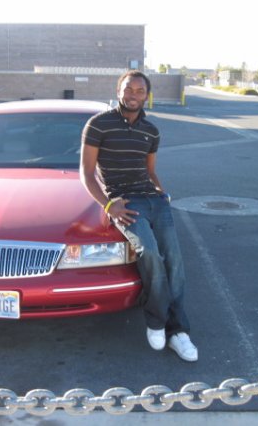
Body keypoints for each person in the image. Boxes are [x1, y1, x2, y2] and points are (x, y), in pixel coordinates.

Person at [80, 70, 198, 362]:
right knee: (150, 254)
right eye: (128, 89)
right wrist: (109, 205)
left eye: (140, 90)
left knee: (174, 261)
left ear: (147, 95)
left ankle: (178, 332)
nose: (133, 95)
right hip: (125, 203)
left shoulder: (151, 130)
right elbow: (87, 173)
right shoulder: (98, 124)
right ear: (118, 91)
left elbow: (150, 171)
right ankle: (157, 321)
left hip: (155, 201)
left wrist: (162, 193)